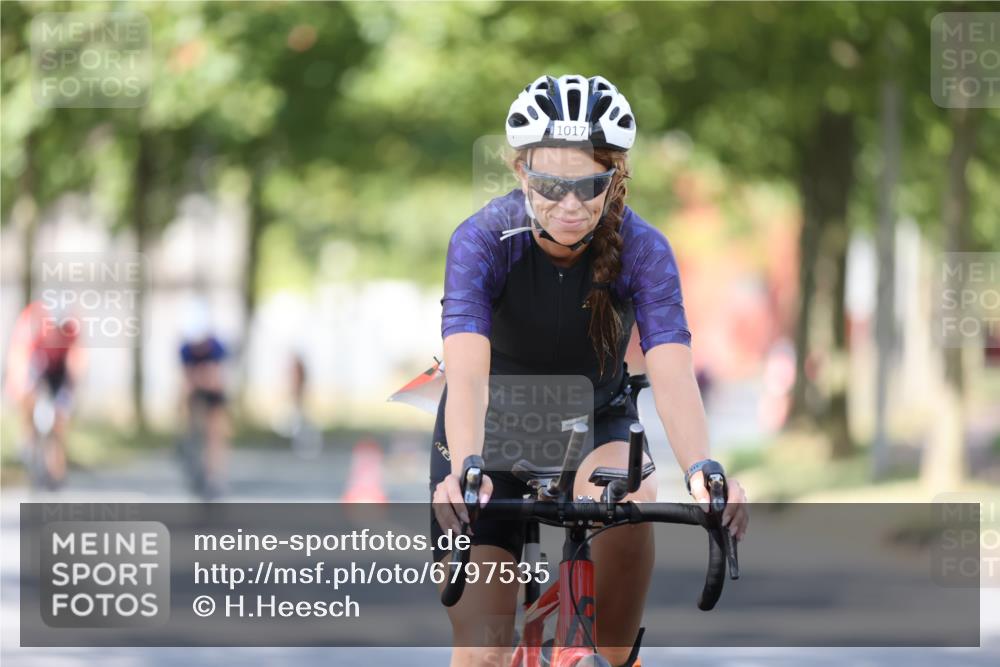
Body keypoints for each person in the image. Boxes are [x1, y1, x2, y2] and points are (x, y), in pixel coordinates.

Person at [430, 74, 749, 667]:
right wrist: (465, 465)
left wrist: (702, 469)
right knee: (484, 650)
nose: (571, 205)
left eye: (590, 185)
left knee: (626, 500)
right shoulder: (481, 241)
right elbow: (467, 374)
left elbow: (673, 372)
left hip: (595, 420)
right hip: (491, 433)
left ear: (615, 177)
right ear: (521, 172)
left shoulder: (644, 248)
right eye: (551, 186)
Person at [5, 299, 85, 487]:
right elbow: (20, 359)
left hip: (59, 370)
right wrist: (22, 388)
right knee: (28, 397)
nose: (56, 334)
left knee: (60, 417)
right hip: (35, 364)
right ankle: (28, 440)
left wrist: (71, 390)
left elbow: (77, 360)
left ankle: (57, 468)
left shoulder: (71, 328)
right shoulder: (32, 323)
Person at [178, 299, 230, 498]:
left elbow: (217, 381)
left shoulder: (216, 347)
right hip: (195, 393)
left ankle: (214, 476)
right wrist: (201, 378)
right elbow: (187, 381)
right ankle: (191, 454)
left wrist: (200, 378)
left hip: (214, 395)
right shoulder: (185, 349)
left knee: (215, 433)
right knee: (191, 422)